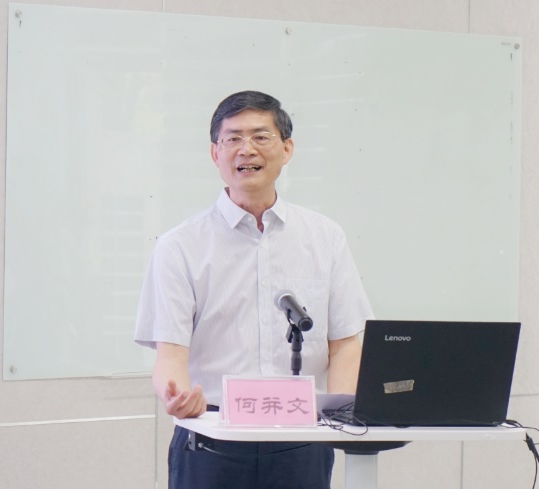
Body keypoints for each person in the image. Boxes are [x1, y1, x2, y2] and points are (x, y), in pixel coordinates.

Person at [135, 90, 373, 489]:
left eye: (261, 137)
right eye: (233, 138)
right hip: (211, 436)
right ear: (215, 153)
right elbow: (170, 353)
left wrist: (339, 420)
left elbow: (345, 342)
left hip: (302, 437)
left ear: (287, 148)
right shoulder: (179, 246)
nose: (246, 149)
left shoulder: (325, 237)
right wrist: (176, 395)